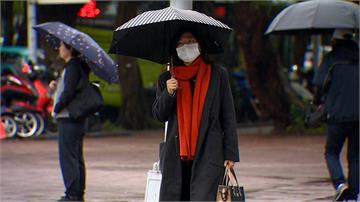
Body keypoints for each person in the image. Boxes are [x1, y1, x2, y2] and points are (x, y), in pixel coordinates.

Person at [152, 29, 240, 201]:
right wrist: (168, 94)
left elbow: (228, 116)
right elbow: (159, 115)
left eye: (191, 41)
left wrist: (230, 153)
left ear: (200, 44)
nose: (186, 46)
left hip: (208, 153)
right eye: (181, 43)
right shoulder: (167, 79)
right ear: (175, 48)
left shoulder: (217, 75)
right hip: (176, 157)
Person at [313, 29, 359, 201]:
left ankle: (340, 184)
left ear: (335, 40)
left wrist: (319, 102)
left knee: (331, 151)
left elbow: (319, 84)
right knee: (355, 156)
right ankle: (353, 195)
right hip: (358, 117)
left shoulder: (331, 59)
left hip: (336, 115)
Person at [49, 41, 90, 201]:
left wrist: (57, 108)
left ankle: (72, 194)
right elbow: (67, 88)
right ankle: (77, 193)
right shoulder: (76, 66)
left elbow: (68, 92)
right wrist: (55, 86)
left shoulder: (72, 67)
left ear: (70, 49)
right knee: (76, 156)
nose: (59, 49)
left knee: (69, 157)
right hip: (75, 119)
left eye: (61, 46)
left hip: (69, 118)